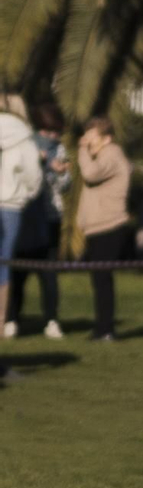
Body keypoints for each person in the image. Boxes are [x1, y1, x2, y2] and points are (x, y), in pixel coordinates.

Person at [5, 99, 68, 339]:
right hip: (23, 215)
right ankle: (11, 319)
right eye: (47, 132)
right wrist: (39, 164)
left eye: (56, 133)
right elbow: (25, 179)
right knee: (17, 271)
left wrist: (59, 173)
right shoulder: (24, 144)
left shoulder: (59, 150)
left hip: (50, 218)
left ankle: (51, 320)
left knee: (49, 274)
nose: (51, 137)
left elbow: (66, 185)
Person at [75, 117, 131, 342]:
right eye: (86, 135)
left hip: (109, 226)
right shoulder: (102, 156)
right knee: (99, 280)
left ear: (106, 139)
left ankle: (106, 329)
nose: (87, 140)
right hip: (97, 227)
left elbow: (90, 174)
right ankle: (102, 328)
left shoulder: (112, 154)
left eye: (92, 136)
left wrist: (82, 150)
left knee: (102, 279)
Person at [0, 104, 43, 329]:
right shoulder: (23, 137)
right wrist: (25, 195)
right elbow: (33, 176)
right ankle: (2, 321)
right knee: (4, 262)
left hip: (10, 204)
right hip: (12, 205)